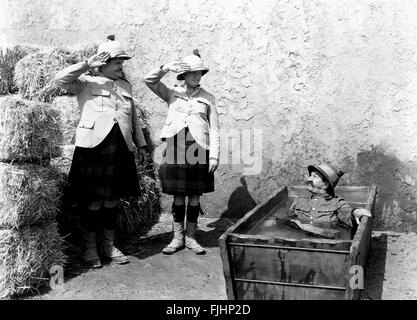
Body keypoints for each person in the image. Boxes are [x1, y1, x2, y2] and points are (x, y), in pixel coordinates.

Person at [54, 35, 148, 268]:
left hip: (120, 148)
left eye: (122, 62)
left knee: (112, 200)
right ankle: (89, 248)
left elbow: (133, 117)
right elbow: (59, 79)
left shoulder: (126, 86)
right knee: (93, 201)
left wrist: (141, 143)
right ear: (103, 64)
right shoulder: (85, 82)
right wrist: (88, 63)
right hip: (93, 148)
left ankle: (108, 245)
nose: (121, 66)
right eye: (117, 62)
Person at [143, 49, 220, 255]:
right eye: (192, 72)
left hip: (198, 148)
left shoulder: (208, 98)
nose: (196, 76)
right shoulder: (171, 93)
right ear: (183, 75)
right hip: (175, 146)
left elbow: (215, 130)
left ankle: (191, 237)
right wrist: (166, 67)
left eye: (200, 73)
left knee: (194, 196)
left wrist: (214, 155)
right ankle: (177, 237)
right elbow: (148, 80)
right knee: (178, 196)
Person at [288, 163, 372, 229]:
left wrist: (355, 213)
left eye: (315, 177)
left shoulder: (337, 203)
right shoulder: (298, 201)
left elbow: (348, 214)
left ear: (325, 184)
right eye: (310, 176)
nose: (309, 179)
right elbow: (286, 221)